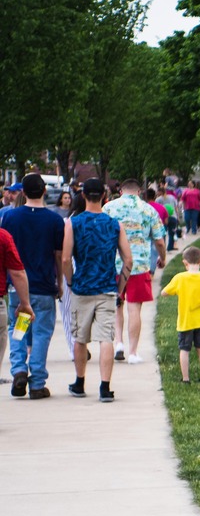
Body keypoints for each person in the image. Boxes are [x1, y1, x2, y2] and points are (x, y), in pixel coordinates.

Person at [62, 179, 132, 403]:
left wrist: (71, 282)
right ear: (104, 196)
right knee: (106, 338)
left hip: (82, 288)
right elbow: (128, 260)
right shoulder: (114, 225)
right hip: (106, 288)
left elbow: (65, 259)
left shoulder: (73, 223)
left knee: (80, 338)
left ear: (83, 196)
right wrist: (120, 287)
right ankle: (105, 387)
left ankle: (80, 382)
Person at [2, 173, 63, 398]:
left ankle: (18, 369)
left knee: (17, 329)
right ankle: (37, 382)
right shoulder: (55, 220)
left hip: (17, 287)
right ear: (44, 191)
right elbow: (58, 255)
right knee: (41, 334)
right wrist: (60, 283)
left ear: (23, 192)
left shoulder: (10, 218)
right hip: (44, 286)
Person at [104, 178, 166, 365]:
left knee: (117, 306)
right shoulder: (148, 209)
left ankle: (119, 344)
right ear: (139, 191)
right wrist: (162, 258)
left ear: (121, 191)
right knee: (134, 308)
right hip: (139, 265)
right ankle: (132, 352)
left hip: (114, 264)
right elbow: (160, 240)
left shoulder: (109, 208)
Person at [161, 246, 200, 383]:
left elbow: (164, 292)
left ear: (185, 263)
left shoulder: (179, 278)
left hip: (185, 321)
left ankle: (185, 378)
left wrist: (177, 291)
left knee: (184, 349)